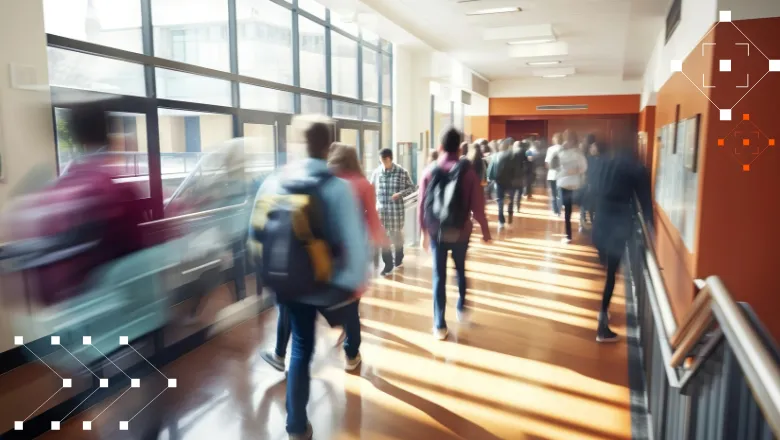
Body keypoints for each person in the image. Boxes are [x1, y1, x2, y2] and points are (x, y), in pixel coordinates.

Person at [252, 115, 369, 440]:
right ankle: (351, 349)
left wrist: (269, 278)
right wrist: (353, 285)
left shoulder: (274, 182)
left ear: (295, 144)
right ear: (329, 146)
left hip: (287, 281)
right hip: (325, 283)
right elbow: (355, 245)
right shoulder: (337, 188)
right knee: (330, 331)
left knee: (300, 347)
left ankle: (296, 426)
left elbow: (254, 233)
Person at [418, 127, 491, 340]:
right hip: (461, 232)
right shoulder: (468, 172)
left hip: (437, 233)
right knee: (460, 269)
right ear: (460, 149)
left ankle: (439, 324)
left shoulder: (429, 171)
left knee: (438, 276)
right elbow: (478, 206)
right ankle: (461, 308)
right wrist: (485, 232)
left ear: (440, 147)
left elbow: (423, 204)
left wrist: (423, 232)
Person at [592, 146, 653, 342]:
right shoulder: (636, 168)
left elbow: (592, 188)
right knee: (611, 273)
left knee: (607, 270)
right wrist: (651, 230)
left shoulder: (604, 163)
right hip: (617, 224)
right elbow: (645, 203)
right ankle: (602, 325)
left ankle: (604, 310)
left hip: (600, 221)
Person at [369, 148, 416, 276]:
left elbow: (412, 188)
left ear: (389, 159)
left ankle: (399, 256)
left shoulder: (401, 172)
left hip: (396, 213)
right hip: (381, 213)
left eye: (383, 161)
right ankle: (388, 264)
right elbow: (371, 189)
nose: (382, 164)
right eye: (380, 161)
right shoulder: (377, 173)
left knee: (396, 239)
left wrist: (400, 194)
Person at [556, 130, 587, 243]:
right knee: (567, 210)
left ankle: (580, 224)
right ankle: (568, 235)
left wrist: (573, 171)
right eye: (565, 139)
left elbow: (583, 167)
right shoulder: (562, 151)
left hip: (574, 184)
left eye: (568, 139)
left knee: (577, 206)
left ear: (573, 140)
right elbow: (556, 163)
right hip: (563, 183)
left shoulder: (578, 153)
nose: (566, 141)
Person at [487, 138, 520, 228]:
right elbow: (516, 170)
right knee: (510, 199)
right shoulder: (513, 156)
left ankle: (501, 220)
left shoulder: (495, 156)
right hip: (510, 182)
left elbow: (491, 168)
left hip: (499, 181)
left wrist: (491, 178)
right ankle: (510, 214)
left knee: (500, 200)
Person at [582, 141, 604, 225]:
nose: (591, 149)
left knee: (596, 203)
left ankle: (595, 219)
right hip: (589, 184)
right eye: (590, 147)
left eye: (593, 147)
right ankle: (587, 218)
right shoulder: (588, 159)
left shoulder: (603, 160)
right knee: (588, 202)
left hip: (599, 185)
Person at [545, 133, 563, 216]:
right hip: (562, 175)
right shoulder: (564, 149)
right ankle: (559, 210)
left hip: (551, 174)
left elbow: (547, 164)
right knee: (560, 193)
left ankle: (555, 210)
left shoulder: (550, 149)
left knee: (553, 193)